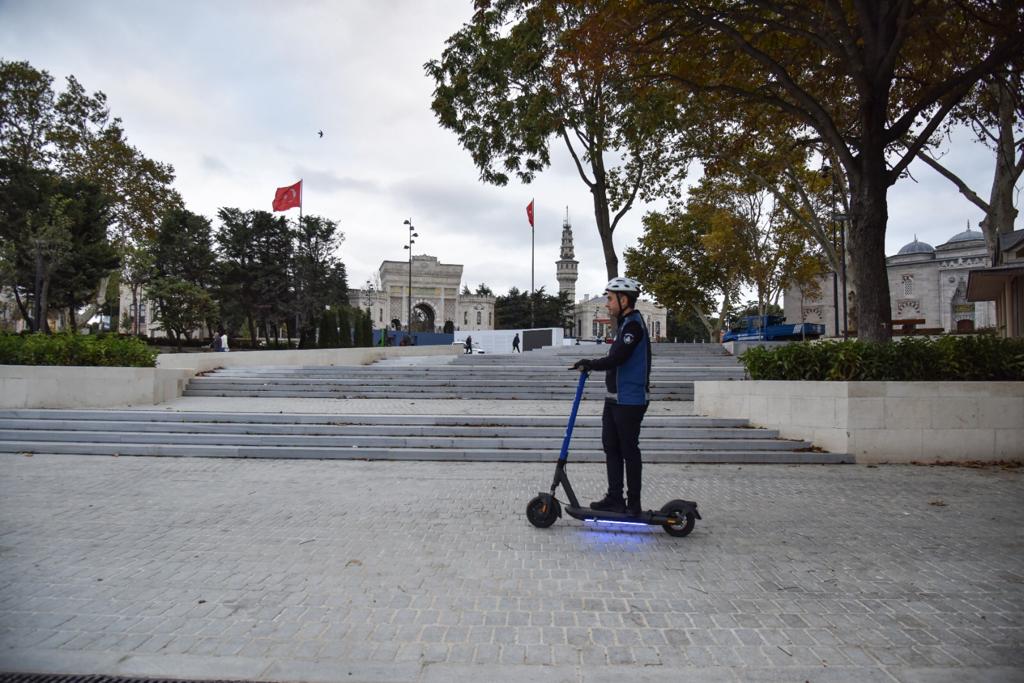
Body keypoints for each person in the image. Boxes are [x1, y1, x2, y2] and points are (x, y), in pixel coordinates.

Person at [572, 277, 650, 516]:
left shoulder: (634, 326)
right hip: (615, 398)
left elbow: (618, 358)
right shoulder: (625, 324)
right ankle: (615, 498)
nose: (607, 303)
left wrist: (591, 363)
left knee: (628, 450)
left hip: (630, 399)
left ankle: (633, 504)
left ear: (623, 299)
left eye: (610, 298)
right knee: (611, 447)